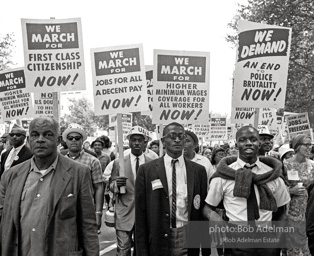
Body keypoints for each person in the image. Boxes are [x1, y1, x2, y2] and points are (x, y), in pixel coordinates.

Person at [0, 117, 99, 256]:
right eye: (35, 135)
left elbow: (88, 225)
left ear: (58, 140)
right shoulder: (10, 176)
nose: (40, 139)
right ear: (29, 141)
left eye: (47, 134)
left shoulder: (79, 173)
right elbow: (4, 221)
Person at [203, 125, 290, 256]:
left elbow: (282, 211)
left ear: (259, 143)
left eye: (253, 139)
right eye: (243, 140)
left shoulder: (273, 175)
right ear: (236, 144)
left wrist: (276, 239)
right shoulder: (223, 175)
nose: (248, 143)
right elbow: (207, 207)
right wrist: (213, 216)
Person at [135, 122, 209, 256]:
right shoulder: (147, 170)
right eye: (172, 136)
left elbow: (202, 210)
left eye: (182, 137)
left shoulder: (198, 171)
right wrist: (141, 249)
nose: (177, 140)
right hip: (158, 236)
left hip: (187, 234)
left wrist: (205, 249)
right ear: (163, 141)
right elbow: (140, 213)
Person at [109, 126, 154, 255]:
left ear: (145, 143)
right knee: (123, 249)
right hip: (124, 211)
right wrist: (116, 185)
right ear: (128, 142)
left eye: (140, 140)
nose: (137, 143)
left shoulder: (153, 163)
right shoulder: (119, 163)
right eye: (133, 139)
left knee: (143, 249)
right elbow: (110, 185)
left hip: (145, 213)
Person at [63, 123, 104, 231]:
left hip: (86, 210)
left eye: (77, 138)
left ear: (82, 140)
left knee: (88, 243)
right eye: (70, 138)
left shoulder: (93, 161)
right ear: (66, 141)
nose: (74, 140)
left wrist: (98, 213)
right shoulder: (60, 161)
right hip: (64, 210)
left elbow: (99, 187)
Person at [284, 134, 314, 255]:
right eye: (305, 145)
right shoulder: (286, 165)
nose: (309, 148)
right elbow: (278, 188)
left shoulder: (312, 165)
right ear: (296, 147)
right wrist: (290, 191)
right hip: (292, 211)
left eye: (310, 145)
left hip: (309, 209)